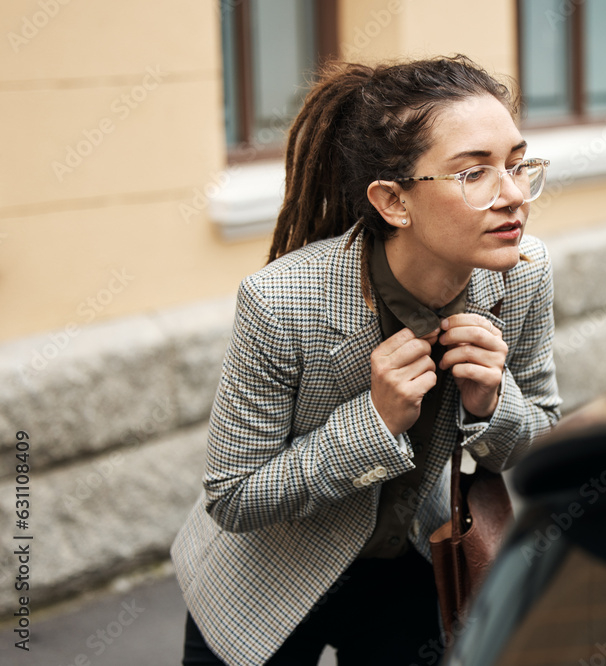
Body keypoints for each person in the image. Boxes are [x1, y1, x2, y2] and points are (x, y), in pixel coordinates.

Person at [170, 54, 562, 666]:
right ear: (392, 201)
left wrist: (494, 404)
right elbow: (233, 495)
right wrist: (371, 425)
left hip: (412, 568)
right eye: (474, 173)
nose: (513, 195)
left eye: (516, 164)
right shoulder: (281, 301)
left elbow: (540, 439)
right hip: (265, 582)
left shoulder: (523, 275)